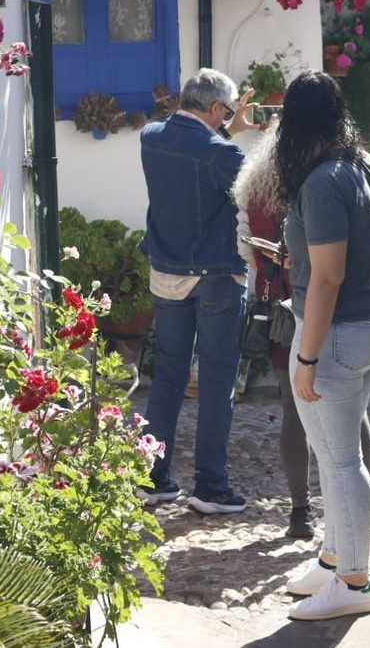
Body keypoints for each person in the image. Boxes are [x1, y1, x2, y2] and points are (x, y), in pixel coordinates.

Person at [232, 122, 370, 542]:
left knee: (296, 409)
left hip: (288, 307)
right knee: (351, 408)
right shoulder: (329, 177)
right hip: (326, 307)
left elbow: (248, 251)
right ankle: (369, 501)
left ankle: (301, 511)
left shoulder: (259, 188)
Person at [274, 71, 370, 621]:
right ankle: (332, 560)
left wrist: (305, 356)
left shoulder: (322, 180)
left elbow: (328, 277)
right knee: (332, 455)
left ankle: (355, 582)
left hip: (337, 334)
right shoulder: (365, 163)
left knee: (343, 462)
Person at [137, 68, 258, 515]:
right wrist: (232, 134)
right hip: (215, 276)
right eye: (226, 110)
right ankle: (210, 486)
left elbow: (191, 144)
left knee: (167, 376)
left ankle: (153, 477)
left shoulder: (150, 136)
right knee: (216, 380)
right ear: (214, 108)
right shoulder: (222, 153)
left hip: (166, 271)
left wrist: (227, 126)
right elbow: (251, 186)